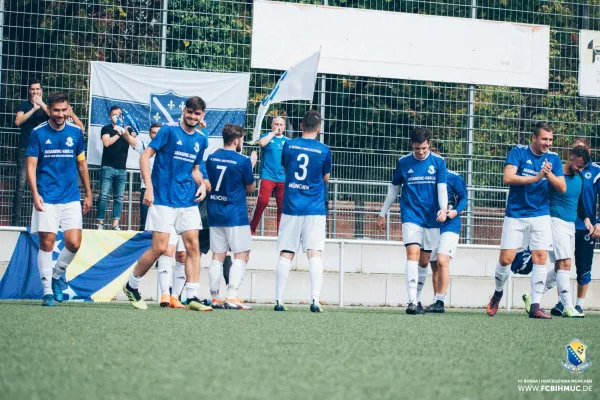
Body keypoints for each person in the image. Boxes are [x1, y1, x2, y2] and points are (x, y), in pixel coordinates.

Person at [122, 96, 211, 312]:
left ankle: (192, 296)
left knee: (193, 246)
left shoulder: (201, 138)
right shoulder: (168, 131)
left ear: (202, 116)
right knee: (160, 248)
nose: (192, 116)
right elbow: (145, 157)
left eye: (197, 114)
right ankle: (131, 286)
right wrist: (149, 187)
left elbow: (195, 170)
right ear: (184, 110)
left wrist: (202, 185)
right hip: (162, 199)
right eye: (189, 112)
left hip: (187, 200)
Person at [486, 122, 566, 319]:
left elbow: (562, 187)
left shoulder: (553, 158)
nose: (548, 143)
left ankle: (535, 306)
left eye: (550, 139)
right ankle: (498, 292)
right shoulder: (518, 152)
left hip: (540, 214)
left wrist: (549, 175)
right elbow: (508, 177)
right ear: (534, 138)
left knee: (540, 258)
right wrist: (536, 177)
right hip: (516, 214)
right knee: (506, 259)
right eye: (544, 139)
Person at [25, 92, 92, 306]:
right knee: (47, 243)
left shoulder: (76, 133)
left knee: (74, 243)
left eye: (64, 110)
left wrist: (89, 193)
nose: (60, 114)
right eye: (56, 110)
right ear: (49, 111)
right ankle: (47, 292)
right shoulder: (37, 133)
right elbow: (31, 166)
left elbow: (82, 164)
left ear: (68, 109)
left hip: (71, 196)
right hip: (46, 196)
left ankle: (56, 276)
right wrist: (35, 194)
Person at [377, 128, 448, 315]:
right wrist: (383, 213)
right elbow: (394, 189)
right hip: (411, 215)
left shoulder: (439, 163)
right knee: (413, 253)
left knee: (424, 261)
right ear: (412, 145)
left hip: (431, 217)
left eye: (424, 148)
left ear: (429, 145)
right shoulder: (403, 162)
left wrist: (443, 208)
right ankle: (411, 302)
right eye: (417, 148)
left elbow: (442, 188)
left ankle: (417, 298)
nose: (421, 152)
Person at [521, 145, 592, 318]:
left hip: (570, 225)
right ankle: (568, 306)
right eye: (578, 166)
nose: (580, 169)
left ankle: (533, 295)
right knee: (565, 263)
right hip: (555, 221)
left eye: (583, 167)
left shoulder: (580, 177)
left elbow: (579, 202)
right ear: (571, 158)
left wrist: (587, 219)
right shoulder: (555, 175)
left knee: (561, 266)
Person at [274, 110, 331, 313]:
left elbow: (286, 169)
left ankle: (279, 300)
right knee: (314, 252)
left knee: (286, 252)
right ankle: (315, 300)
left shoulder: (288, 145)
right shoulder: (324, 150)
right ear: (319, 128)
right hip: (314, 208)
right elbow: (326, 178)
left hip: (291, 206)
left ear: (300, 126)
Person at [206, 124, 256, 310]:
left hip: (215, 212)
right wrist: (251, 166)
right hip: (235, 214)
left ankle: (214, 298)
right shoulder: (242, 161)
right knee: (242, 254)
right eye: (241, 139)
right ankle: (232, 295)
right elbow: (250, 188)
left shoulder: (211, 158)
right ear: (236, 140)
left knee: (217, 256)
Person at [550, 137, 600, 316]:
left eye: (583, 149)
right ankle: (564, 304)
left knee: (582, 266)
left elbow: (585, 201)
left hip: (584, 227)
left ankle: (578, 304)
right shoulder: (560, 170)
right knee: (562, 263)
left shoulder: (595, 172)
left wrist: (595, 222)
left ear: (588, 152)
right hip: (561, 222)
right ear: (572, 154)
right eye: (576, 149)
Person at [420, 162, 467, 314]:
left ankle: (440, 300)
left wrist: (455, 212)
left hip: (450, 225)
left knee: (442, 260)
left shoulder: (453, 177)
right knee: (433, 265)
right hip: (431, 226)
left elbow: (464, 198)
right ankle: (436, 301)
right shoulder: (423, 178)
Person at [13, 79, 50, 226]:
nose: (35, 92)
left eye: (37, 89)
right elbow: (18, 121)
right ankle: (15, 223)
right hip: (24, 149)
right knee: (21, 185)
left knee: (40, 186)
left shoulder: (45, 106)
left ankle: (38, 222)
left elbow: (53, 115)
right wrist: (33, 109)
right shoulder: (24, 105)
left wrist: (41, 105)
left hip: (42, 152)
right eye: (32, 89)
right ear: (29, 91)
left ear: (41, 90)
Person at [250, 117, 289, 235]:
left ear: (284, 127)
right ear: (272, 125)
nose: (278, 126)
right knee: (263, 201)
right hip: (268, 175)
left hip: (282, 177)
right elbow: (261, 143)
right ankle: (251, 228)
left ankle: (280, 233)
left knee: (282, 206)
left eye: (281, 124)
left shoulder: (287, 141)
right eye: (276, 124)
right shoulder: (266, 136)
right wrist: (272, 133)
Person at [96, 106, 130, 230]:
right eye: (114, 115)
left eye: (119, 114)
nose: (117, 117)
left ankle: (115, 224)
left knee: (119, 197)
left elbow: (133, 142)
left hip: (122, 169)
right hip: (108, 167)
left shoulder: (127, 130)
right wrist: (118, 133)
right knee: (103, 195)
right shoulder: (106, 128)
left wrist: (128, 133)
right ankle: (100, 223)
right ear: (110, 117)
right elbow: (106, 143)